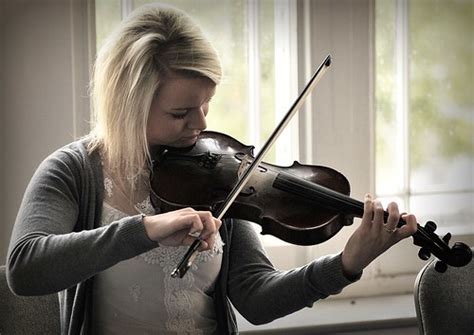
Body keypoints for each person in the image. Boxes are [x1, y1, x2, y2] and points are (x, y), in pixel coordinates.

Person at [6, 4, 417, 334]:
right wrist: (145, 230)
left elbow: (256, 298)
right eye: (181, 112)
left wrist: (347, 262)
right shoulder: (73, 171)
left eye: (206, 104)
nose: (201, 124)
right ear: (127, 105)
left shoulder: (218, 172)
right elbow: (26, 270)